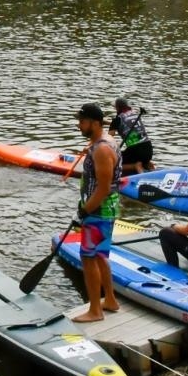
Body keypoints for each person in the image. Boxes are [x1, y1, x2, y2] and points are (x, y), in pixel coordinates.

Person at [71, 103, 121, 323]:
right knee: (100, 255)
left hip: (99, 211)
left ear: (94, 123)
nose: (78, 125)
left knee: (88, 257)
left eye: (82, 121)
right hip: (104, 209)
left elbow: (103, 187)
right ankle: (109, 300)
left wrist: (85, 209)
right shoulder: (105, 143)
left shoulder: (101, 149)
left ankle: (95, 310)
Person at [110, 98, 155, 174]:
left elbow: (109, 138)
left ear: (118, 108)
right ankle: (149, 165)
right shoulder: (135, 114)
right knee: (143, 159)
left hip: (135, 152)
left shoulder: (117, 120)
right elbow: (127, 124)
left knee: (112, 163)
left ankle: (135, 166)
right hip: (148, 150)